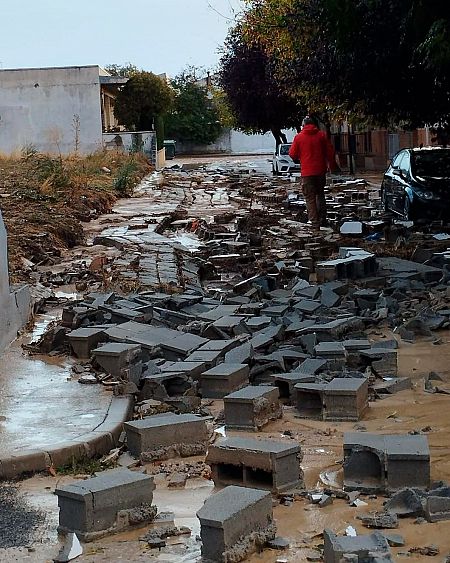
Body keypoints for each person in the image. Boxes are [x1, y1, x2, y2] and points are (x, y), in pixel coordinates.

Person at [289, 116, 338, 230]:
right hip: (320, 171)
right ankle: (323, 219)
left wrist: (300, 157)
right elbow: (330, 152)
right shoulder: (321, 135)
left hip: (307, 172)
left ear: (303, 125)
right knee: (320, 194)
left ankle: (314, 223)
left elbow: (292, 154)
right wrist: (332, 166)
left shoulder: (299, 137)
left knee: (310, 198)